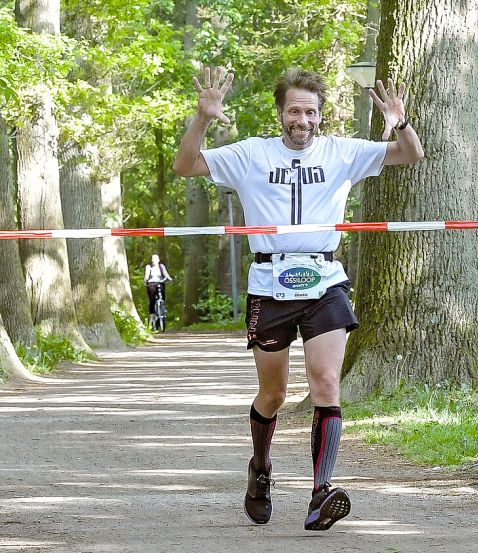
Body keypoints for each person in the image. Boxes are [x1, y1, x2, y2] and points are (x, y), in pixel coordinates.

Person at [172, 66, 424, 530]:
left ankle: (320, 492)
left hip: (325, 278)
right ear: (281, 114)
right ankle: (260, 469)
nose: (301, 119)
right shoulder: (251, 154)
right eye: (293, 111)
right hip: (269, 283)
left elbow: (411, 155)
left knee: (326, 384)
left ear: (321, 116)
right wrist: (203, 117)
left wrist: (400, 120)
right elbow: (186, 165)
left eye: (310, 111)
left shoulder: (342, 152)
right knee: (274, 393)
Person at [143, 253, 173, 320]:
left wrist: (170, 278)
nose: (154, 260)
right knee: (152, 300)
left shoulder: (161, 266)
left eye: (155, 259)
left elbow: (166, 274)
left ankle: (162, 308)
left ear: (158, 260)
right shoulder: (149, 267)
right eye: (153, 259)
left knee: (162, 297)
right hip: (151, 284)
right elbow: (146, 275)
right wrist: (145, 280)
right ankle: (152, 315)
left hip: (160, 283)